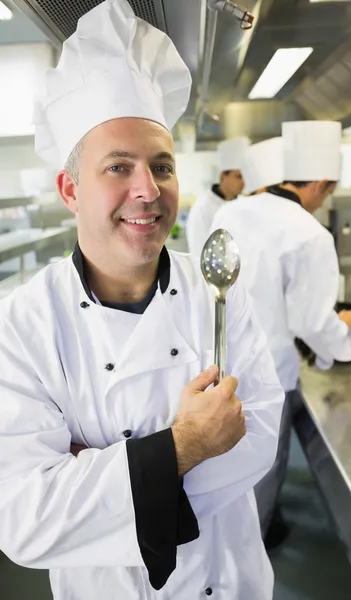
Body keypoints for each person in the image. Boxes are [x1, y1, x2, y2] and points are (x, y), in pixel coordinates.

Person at [0, 1, 285, 599]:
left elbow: (258, 437)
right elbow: (24, 519)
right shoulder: (22, 323)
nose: (147, 189)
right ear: (70, 189)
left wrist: (93, 471)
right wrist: (189, 443)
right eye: (118, 166)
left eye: (162, 165)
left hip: (228, 583)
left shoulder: (220, 290)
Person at [211, 123, 351, 549]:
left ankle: (231, 553)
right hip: (269, 375)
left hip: (219, 367)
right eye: (327, 192)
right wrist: (345, 334)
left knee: (226, 475)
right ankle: (248, 564)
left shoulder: (231, 211)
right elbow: (311, 323)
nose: (322, 201)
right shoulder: (310, 233)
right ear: (318, 183)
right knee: (262, 473)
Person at [186, 137, 248, 255]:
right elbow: (199, 252)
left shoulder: (242, 203)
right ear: (223, 175)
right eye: (238, 176)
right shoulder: (203, 208)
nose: (243, 182)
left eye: (245, 176)